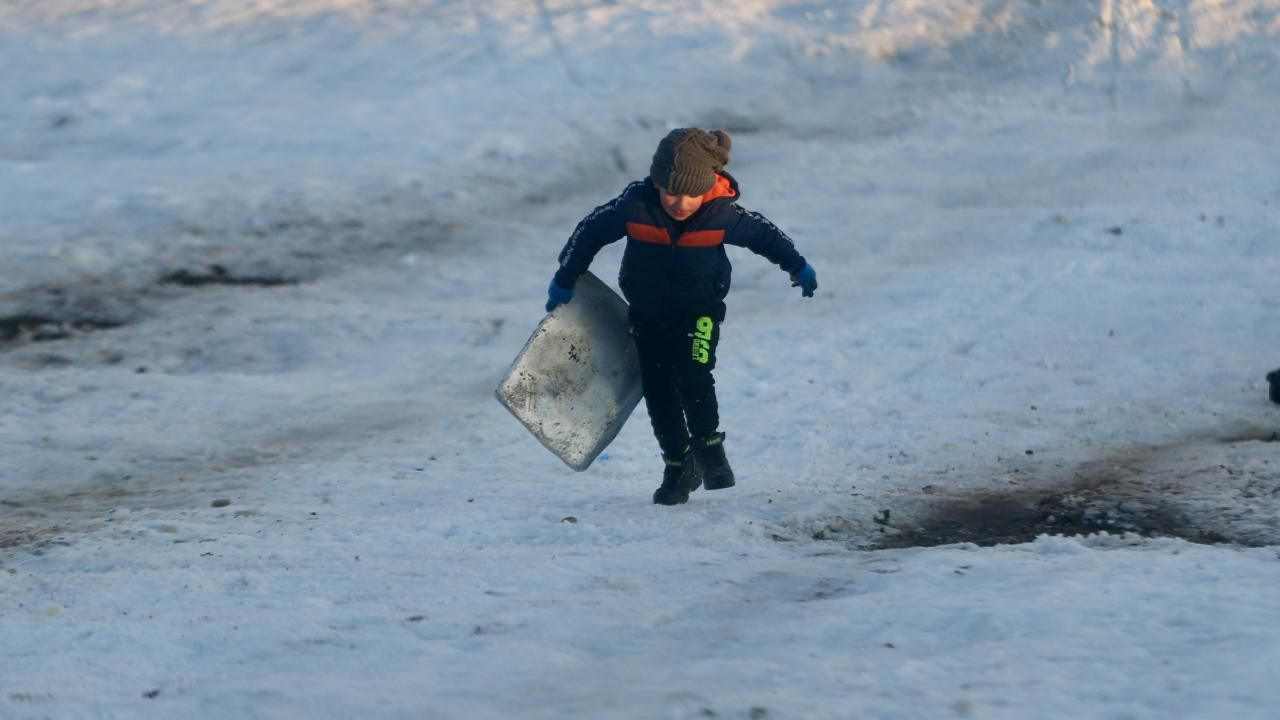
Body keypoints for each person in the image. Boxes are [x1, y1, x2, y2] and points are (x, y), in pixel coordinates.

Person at [544, 128, 817, 505]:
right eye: (670, 190)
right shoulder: (635, 206)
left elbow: (766, 237)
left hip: (700, 312)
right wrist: (565, 277)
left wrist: (797, 266)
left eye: (690, 193)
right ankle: (678, 466)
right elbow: (589, 231)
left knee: (693, 372)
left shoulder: (721, 215)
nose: (680, 202)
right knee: (659, 393)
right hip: (647, 315)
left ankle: (710, 451)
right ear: (656, 182)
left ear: (705, 187)